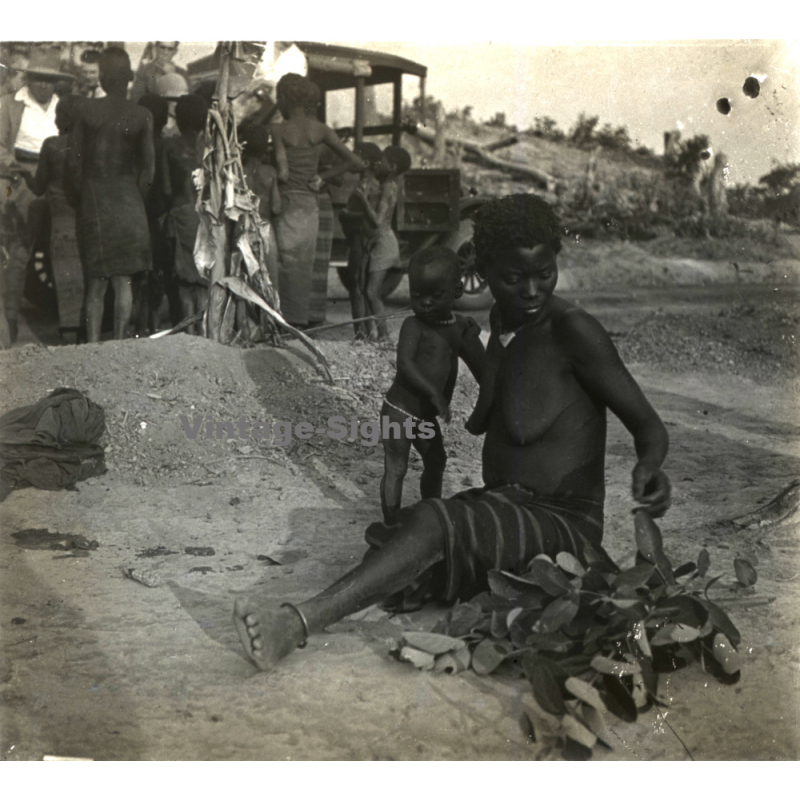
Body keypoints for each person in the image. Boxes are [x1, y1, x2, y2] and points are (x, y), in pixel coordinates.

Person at [233, 193, 672, 671]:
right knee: (398, 541)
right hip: (511, 502)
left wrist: (650, 468)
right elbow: (491, 413)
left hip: (567, 525)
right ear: (482, 275)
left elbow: (648, 426)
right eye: (513, 278)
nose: (531, 290)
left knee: (429, 527)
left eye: (544, 274)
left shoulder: (573, 330)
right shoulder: (502, 322)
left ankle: (296, 623)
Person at [380, 246, 485, 523]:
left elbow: (482, 369)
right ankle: (391, 522)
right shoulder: (413, 326)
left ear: (457, 292)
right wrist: (435, 394)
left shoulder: (459, 327)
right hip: (399, 411)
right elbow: (405, 365)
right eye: (417, 295)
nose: (425, 303)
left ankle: (430, 514)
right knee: (396, 467)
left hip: (423, 416)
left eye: (435, 295)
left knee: (436, 461)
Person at [68, 47, 154, 343]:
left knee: (97, 280)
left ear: (101, 78)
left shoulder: (85, 111)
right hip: (129, 200)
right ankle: (119, 345)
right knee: (124, 279)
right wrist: (135, 200)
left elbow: (74, 165)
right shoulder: (142, 115)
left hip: (96, 199)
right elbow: (149, 171)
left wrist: (84, 197)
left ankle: (93, 345)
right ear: (129, 78)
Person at [271, 73, 364, 328]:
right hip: (310, 204)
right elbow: (355, 162)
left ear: (284, 98)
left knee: (283, 264)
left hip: (287, 202)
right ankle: (299, 322)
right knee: (303, 265)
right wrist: (323, 176)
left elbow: (283, 172)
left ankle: (281, 321)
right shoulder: (321, 130)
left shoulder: (278, 129)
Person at [0, 47, 73, 343]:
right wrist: (15, 171)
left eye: (48, 80)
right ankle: (11, 318)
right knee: (18, 251)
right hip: (19, 179)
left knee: (65, 248)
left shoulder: (64, 107)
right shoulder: (9, 105)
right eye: (38, 79)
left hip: (55, 179)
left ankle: (68, 325)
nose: (43, 85)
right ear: (29, 78)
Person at [19, 95, 84, 337]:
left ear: (64, 118)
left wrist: (21, 173)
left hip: (62, 226)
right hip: (85, 223)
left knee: (66, 284)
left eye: (58, 114)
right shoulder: (88, 146)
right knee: (85, 283)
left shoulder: (52, 146)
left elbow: (38, 187)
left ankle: (68, 340)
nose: (55, 119)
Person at [348, 145, 411, 341]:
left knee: (371, 291)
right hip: (379, 241)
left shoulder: (387, 187)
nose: (378, 163)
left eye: (382, 161)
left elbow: (377, 221)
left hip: (384, 242)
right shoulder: (391, 185)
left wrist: (363, 199)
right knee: (369, 291)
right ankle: (375, 335)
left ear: (391, 166)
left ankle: (384, 336)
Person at [161, 94, 209, 335]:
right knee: (202, 280)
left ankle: (189, 334)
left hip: (182, 216)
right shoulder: (211, 150)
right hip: (207, 217)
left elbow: (166, 189)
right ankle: (202, 332)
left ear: (178, 119)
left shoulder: (171, 147)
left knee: (184, 280)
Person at [340, 142, 382, 339]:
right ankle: (367, 331)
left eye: (354, 156)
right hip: (364, 239)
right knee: (362, 286)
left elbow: (366, 218)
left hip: (360, 238)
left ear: (365, 163)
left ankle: (361, 334)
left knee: (356, 286)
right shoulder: (372, 184)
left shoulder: (364, 186)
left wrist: (344, 214)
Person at [240, 123, 283, 296]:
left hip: (242, 230)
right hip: (265, 230)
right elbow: (276, 207)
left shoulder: (238, 171)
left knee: (245, 283)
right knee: (269, 284)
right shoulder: (270, 172)